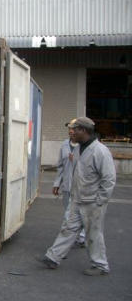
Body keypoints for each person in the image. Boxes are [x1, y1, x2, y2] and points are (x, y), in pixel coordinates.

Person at [36, 117, 116, 276]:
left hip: (93, 202)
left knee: (93, 233)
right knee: (68, 228)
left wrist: (100, 200)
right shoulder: (79, 148)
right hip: (78, 199)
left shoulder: (100, 152)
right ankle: (53, 257)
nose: (70, 132)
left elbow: (109, 179)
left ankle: (100, 266)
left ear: (84, 131)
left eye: (74, 129)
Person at [52, 118, 85, 248]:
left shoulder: (85, 147)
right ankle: (79, 238)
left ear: (80, 130)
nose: (71, 131)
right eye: (69, 129)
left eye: (74, 129)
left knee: (70, 215)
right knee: (68, 212)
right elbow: (61, 166)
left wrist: (77, 160)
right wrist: (56, 183)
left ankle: (62, 245)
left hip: (79, 187)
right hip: (67, 185)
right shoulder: (65, 144)